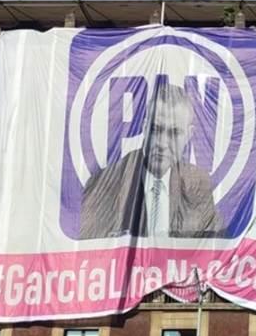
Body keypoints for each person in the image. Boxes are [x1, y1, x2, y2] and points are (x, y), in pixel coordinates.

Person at [79, 84, 223, 239]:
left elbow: (212, 247)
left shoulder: (198, 184)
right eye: (156, 129)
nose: (161, 143)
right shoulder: (106, 184)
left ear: (188, 136)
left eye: (174, 133)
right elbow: (89, 251)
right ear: (145, 127)